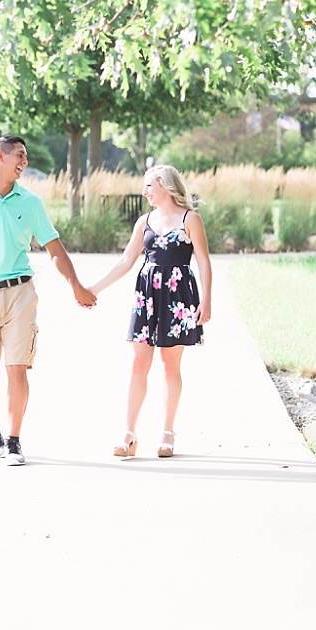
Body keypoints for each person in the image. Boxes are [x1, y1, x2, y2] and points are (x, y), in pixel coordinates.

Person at [0, 135, 97, 466]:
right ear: (0, 156)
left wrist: (76, 285)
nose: (25, 161)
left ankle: (14, 440)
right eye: (20, 155)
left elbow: (54, 248)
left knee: (18, 368)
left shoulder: (30, 202)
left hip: (20, 293)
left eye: (26, 155)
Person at [87, 165, 212, 459]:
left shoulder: (190, 219)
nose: (145, 192)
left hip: (179, 297)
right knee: (137, 365)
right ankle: (128, 434)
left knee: (170, 366)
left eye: (148, 186)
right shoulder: (144, 222)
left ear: (166, 186)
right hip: (146, 297)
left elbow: (204, 262)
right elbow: (125, 262)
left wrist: (206, 300)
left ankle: (167, 433)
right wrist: (94, 289)